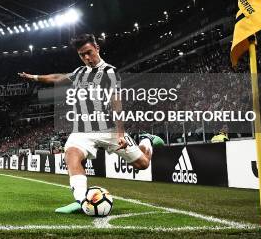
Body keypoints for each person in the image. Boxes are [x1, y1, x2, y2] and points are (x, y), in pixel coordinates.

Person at [18, 33, 164, 214]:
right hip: (83, 130)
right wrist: (34, 77)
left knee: (143, 164)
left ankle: (146, 140)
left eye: (89, 52)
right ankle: (81, 201)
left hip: (109, 129)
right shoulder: (80, 72)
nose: (87, 58)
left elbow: (116, 103)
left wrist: (120, 133)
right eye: (82, 55)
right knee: (71, 153)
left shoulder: (110, 72)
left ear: (97, 48)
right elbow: (57, 78)